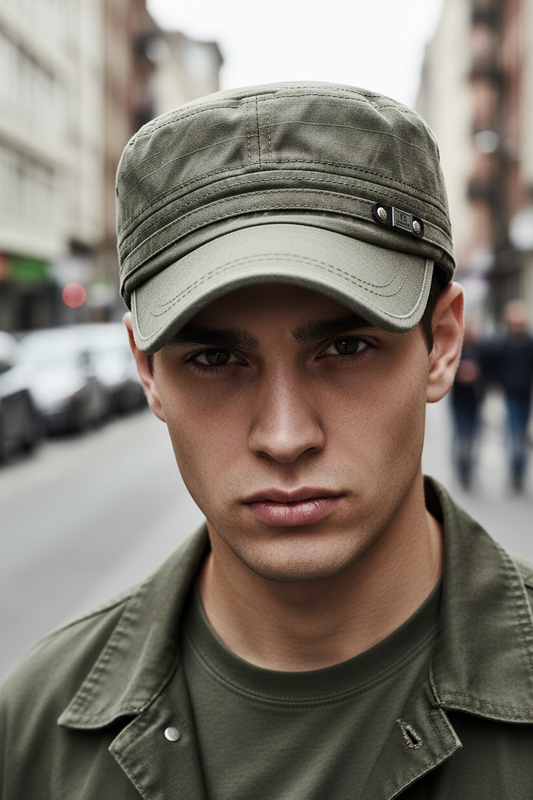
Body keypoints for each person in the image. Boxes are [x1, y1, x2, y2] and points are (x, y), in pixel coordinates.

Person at [2, 82, 533, 799]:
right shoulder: (31, 737)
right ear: (147, 373)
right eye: (214, 358)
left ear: (440, 344)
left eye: (346, 348)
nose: (285, 437)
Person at [490, 300, 533, 492]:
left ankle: (519, 473)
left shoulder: (529, 343)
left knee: (520, 433)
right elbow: (495, 366)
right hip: (510, 394)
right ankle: (514, 473)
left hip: (525, 393)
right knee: (514, 433)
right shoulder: (502, 343)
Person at [449, 319, 483, 488]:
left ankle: (469, 471)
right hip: (459, 399)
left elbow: (488, 369)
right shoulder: (456, 348)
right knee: (461, 436)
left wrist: (477, 373)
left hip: (475, 399)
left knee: (472, 436)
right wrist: (460, 373)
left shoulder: (480, 349)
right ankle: (461, 470)